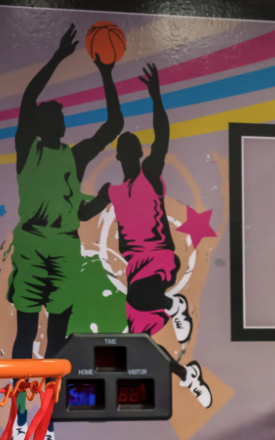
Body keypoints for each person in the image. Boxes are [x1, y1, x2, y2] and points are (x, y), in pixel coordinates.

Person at [9, 24, 124, 440]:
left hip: (64, 246)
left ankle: (47, 422)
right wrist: (58, 57)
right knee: (25, 334)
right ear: (41, 125)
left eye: (62, 119)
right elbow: (27, 98)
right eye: (55, 118)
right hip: (32, 245)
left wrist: (106, 73)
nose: (61, 122)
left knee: (57, 342)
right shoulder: (28, 148)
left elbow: (114, 124)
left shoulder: (74, 158)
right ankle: (21, 417)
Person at [83, 63, 212, 408]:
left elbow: (162, 137)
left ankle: (175, 305)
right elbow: (83, 213)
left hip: (159, 257)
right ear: (118, 156)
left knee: (142, 297)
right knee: (139, 346)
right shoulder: (112, 191)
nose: (128, 155)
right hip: (135, 268)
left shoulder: (150, 176)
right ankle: (188, 376)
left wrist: (155, 97)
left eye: (133, 150)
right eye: (123, 151)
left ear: (139, 155)